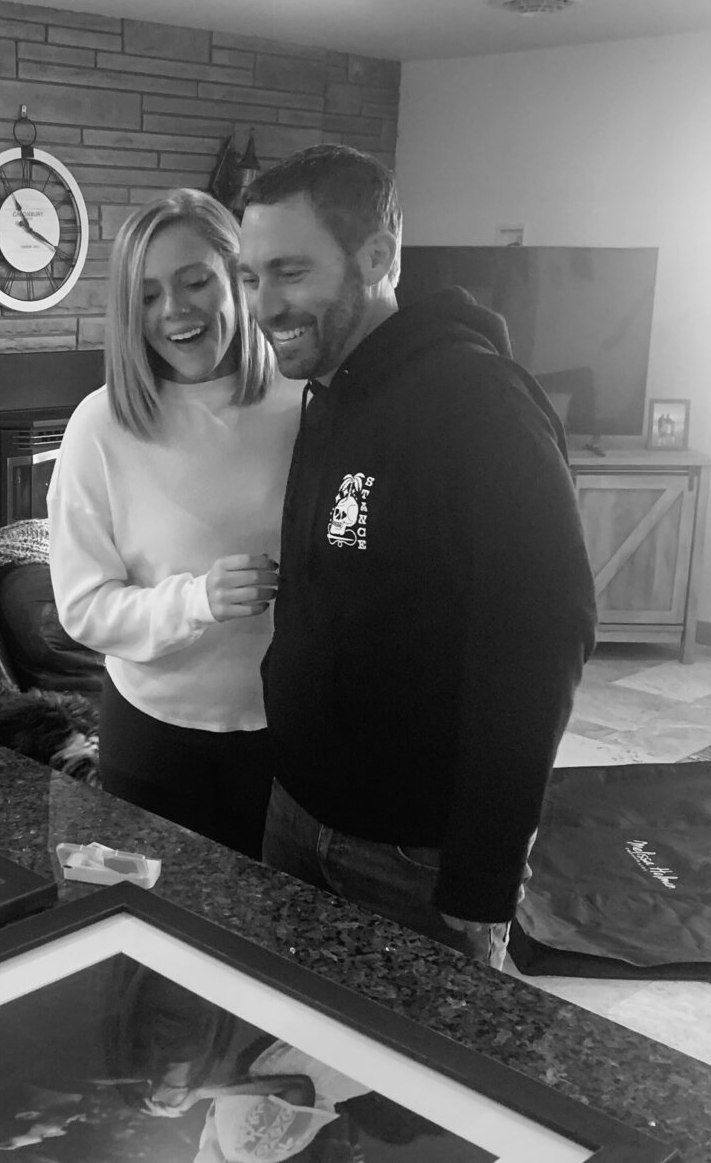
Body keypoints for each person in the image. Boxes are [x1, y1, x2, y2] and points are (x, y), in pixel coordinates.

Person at [236, 145, 597, 968]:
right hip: (295, 813)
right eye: (250, 276)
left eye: (289, 271)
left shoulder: (483, 406)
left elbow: (542, 642)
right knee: (290, 1062)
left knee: (411, 1089)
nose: (263, 304)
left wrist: (484, 875)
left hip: (412, 860)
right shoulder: (328, 386)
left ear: (376, 257)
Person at [47, 188, 303, 858]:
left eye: (195, 282)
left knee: (276, 941)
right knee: (159, 938)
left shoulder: (307, 404)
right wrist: (197, 599)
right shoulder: (99, 427)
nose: (175, 311)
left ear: (237, 281)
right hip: (154, 737)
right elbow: (82, 607)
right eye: (150, 294)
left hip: (292, 739)